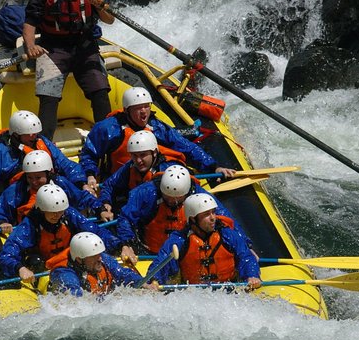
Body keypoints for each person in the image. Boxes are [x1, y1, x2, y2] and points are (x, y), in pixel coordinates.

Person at [22, 0, 115, 140]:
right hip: (53, 47)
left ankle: (108, 141)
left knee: (100, 91)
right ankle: (45, 145)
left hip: (85, 46)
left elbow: (110, 19)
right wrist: (31, 46)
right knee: (48, 97)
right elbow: (30, 23)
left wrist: (101, 5)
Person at [80, 86, 236, 191]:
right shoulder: (108, 128)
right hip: (118, 182)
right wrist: (90, 175)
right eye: (138, 108)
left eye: (146, 106)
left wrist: (213, 167)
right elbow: (88, 154)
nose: (144, 112)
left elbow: (185, 147)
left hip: (151, 181)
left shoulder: (156, 126)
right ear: (127, 110)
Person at [115, 165, 250, 266]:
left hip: (184, 252)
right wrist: (127, 244)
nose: (172, 202)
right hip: (148, 252)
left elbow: (225, 218)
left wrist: (246, 246)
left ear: (185, 194)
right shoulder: (147, 192)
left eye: (176, 199)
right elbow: (125, 218)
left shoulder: (198, 194)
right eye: (168, 198)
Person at [0, 110, 86, 218]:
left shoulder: (41, 142)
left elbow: (65, 164)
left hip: (48, 190)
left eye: (34, 133)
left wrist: (82, 182)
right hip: (17, 195)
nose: (33, 136)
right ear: (16, 134)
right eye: (28, 133)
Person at [0, 184, 119, 283]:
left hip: (70, 261)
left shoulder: (68, 214)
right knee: (35, 260)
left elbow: (95, 231)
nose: (57, 215)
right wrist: (20, 268)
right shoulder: (30, 225)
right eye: (52, 212)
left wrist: (120, 245)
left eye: (59, 211)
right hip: (45, 267)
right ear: (42, 209)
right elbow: (7, 254)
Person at [146, 193, 261, 289]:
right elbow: (161, 263)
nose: (213, 218)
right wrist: (155, 281)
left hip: (228, 290)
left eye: (213, 212)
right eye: (206, 214)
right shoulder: (179, 240)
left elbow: (246, 257)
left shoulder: (228, 235)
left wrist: (251, 275)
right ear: (193, 219)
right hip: (194, 293)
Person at [0, 150, 112, 234]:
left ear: (49, 173)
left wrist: (100, 209)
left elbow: (82, 198)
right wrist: (2, 222)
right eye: (30, 177)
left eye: (38, 178)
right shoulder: (17, 190)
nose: (34, 182)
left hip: (63, 230)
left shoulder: (61, 183)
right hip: (32, 233)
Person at [47, 232, 157, 296]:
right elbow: (75, 298)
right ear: (79, 260)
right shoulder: (64, 273)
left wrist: (143, 284)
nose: (100, 259)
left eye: (99, 254)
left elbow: (123, 273)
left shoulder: (101, 258)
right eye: (94, 256)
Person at [98, 129, 181, 211]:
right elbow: (109, 185)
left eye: (143, 155)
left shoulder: (168, 170)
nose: (138, 160)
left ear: (154, 152)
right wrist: (106, 203)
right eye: (134, 155)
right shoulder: (131, 166)